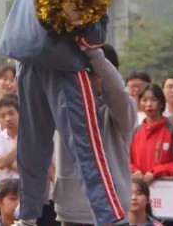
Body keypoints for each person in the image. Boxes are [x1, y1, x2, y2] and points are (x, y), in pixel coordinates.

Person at [0, 0, 125, 225]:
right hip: (30, 69)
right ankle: (28, 217)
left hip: (68, 72)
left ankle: (110, 219)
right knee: (31, 149)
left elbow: (96, 37)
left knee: (85, 149)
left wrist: (78, 18)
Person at [53, 45, 137, 226]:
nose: (81, 78)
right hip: (71, 211)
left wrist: (90, 50)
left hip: (112, 212)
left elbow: (116, 91)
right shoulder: (62, 104)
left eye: (88, 72)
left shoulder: (122, 109)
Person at [130, 84, 173, 187]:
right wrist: (135, 171)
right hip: (139, 191)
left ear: (161, 103)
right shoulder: (135, 132)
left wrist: (156, 172)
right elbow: (126, 160)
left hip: (165, 191)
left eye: (153, 100)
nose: (149, 104)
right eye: (144, 100)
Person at [0, 96, 20, 201]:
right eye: (2, 116)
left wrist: (7, 161)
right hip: (3, 190)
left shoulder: (31, 136)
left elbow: (33, 168)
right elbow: (0, 163)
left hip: (26, 189)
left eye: (11, 113)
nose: (8, 119)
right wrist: (17, 146)